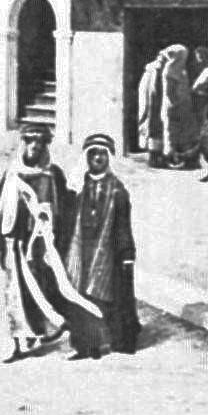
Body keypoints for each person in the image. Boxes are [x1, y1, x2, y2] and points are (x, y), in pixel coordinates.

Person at [0, 124, 101, 362]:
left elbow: (64, 209)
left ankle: (71, 334)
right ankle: (20, 343)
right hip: (17, 242)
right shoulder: (13, 174)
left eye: (39, 143)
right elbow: (0, 209)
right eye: (30, 142)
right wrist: (1, 243)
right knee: (16, 294)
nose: (34, 147)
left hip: (44, 247)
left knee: (50, 290)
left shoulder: (52, 175)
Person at [64, 134, 140, 358]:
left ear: (109, 158)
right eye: (93, 154)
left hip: (107, 252)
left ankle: (112, 340)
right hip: (80, 251)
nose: (98, 158)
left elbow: (123, 226)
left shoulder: (117, 191)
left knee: (104, 296)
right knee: (79, 297)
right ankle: (86, 345)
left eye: (102, 154)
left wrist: (127, 253)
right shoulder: (78, 186)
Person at [159, 44, 199, 169]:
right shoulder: (171, 70)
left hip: (182, 106)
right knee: (171, 133)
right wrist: (176, 104)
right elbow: (169, 92)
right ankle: (170, 158)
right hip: (174, 107)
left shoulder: (180, 70)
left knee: (183, 133)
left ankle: (182, 158)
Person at [137, 50, 167, 165]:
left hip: (159, 104)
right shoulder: (151, 71)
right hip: (152, 104)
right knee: (151, 129)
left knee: (158, 129)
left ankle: (157, 155)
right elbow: (148, 89)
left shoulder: (163, 70)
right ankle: (153, 156)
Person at [189, 47, 208, 129]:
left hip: (205, 101)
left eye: (200, 58)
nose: (199, 61)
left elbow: (197, 87)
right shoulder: (205, 70)